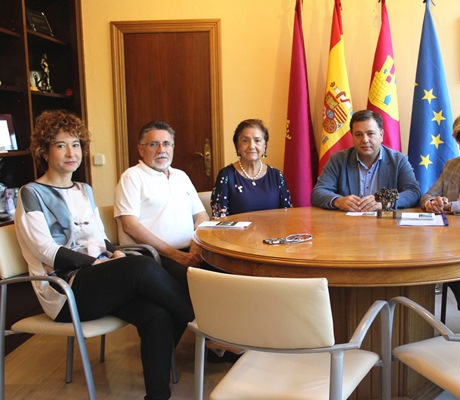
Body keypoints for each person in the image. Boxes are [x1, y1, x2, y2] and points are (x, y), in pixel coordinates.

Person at [14, 110, 194, 400]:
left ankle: (157, 396)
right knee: (143, 268)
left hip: (97, 283)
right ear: (44, 151)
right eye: (61, 145)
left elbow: (102, 240)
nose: (71, 152)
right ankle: (202, 322)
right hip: (65, 292)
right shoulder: (31, 193)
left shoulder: (84, 189)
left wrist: (115, 254)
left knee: (157, 315)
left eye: (76, 144)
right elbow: (45, 250)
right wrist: (99, 262)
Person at [114, 121, 209, 289]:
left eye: (166, 144)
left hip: (190, 252)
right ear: (141, 149)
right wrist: (177, 256)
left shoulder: (181, 176)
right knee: (205, 284)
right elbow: (130, 226)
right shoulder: (132, 177)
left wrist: (196, 244)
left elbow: (201, 215)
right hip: (154, 257)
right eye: (153, 144)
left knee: (228, 274)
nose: (161, 150)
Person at [311, 109, 421, 211]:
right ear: (352, 136)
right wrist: (338, 201)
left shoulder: (398, 160)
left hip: (386, 227)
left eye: (370, 134)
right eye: (358, 134)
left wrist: (386, 202)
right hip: (347, 225)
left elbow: (413, 192)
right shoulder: (338, 160)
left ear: (381, 135)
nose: (365, 140)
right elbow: (318, 192)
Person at [211, 119, 291, 218]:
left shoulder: (277, 176)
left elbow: (287, 216)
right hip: (236, 233)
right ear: (237, 145)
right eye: (245, 140)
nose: (251, 146)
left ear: (264, 145)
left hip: (274, 233)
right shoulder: (226, 175)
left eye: (257, 140)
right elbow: (219, 220)